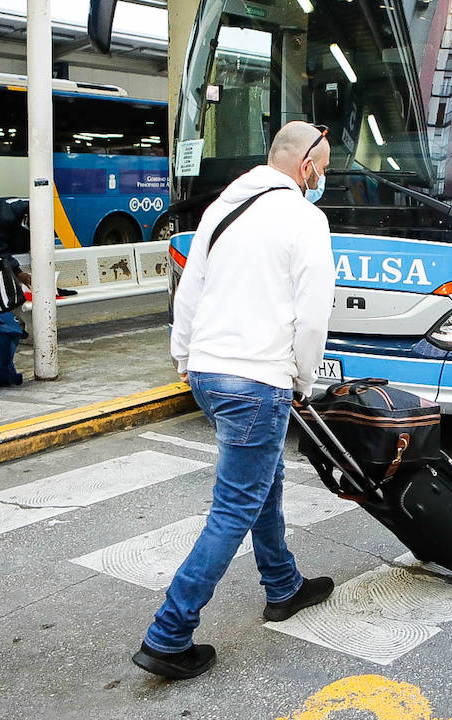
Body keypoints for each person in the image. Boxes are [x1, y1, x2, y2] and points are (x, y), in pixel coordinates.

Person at [133, 120, 337, 681]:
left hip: (208, 371)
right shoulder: (305, 217)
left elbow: (191, 288)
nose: (324, 178)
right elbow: (313, 313)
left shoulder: (223, 208)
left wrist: (183, 356)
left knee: (260, 481)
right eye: (325, 168)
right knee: (234, 506)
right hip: (256, 378)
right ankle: (169, 635)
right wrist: (301, 377)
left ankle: (283, 585)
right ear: (306, 167)